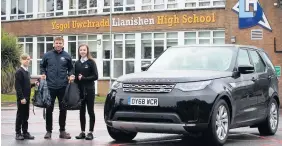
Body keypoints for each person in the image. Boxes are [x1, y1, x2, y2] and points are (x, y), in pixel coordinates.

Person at [40, 36, 75, 139]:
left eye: (60, 43)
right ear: (53, 44)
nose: (58, 45)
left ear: (63, 44)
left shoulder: (67, 56)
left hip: (63, 86)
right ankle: (48, 131)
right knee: (49, 109)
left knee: (63, 109)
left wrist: (71, 75)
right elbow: (42, 66)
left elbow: (71, 69)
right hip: (50, 86)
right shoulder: (47, 55)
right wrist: (43, 73)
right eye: (57, 43)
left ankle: (62, 131)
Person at [74, 44, 98, 140]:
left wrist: (84, 78)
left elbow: (95, 76)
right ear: (79, 52)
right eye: (81, 50)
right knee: (81, 111)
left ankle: (90, 132)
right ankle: (82, 132)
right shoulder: (77, 63)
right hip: (80, 91)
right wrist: (73, 78)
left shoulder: (91, 62)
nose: (82, 51)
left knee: (90, 111)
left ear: (87, 51)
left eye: (84, 50)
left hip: (89, 90)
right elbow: (76, 77)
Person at [15, 53, 37, 140]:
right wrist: (21, 98)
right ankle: (18, 133)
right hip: (22, 98)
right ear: (21, 60)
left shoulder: (27, 71)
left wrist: (33, 84)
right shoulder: (19, 71)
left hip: (27, 97)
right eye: (25, 59)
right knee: (20, 115)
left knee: (26, 115)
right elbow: (18, 87)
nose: (27, 61)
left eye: (28, 59)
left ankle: (25, 132)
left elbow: (26, 85)